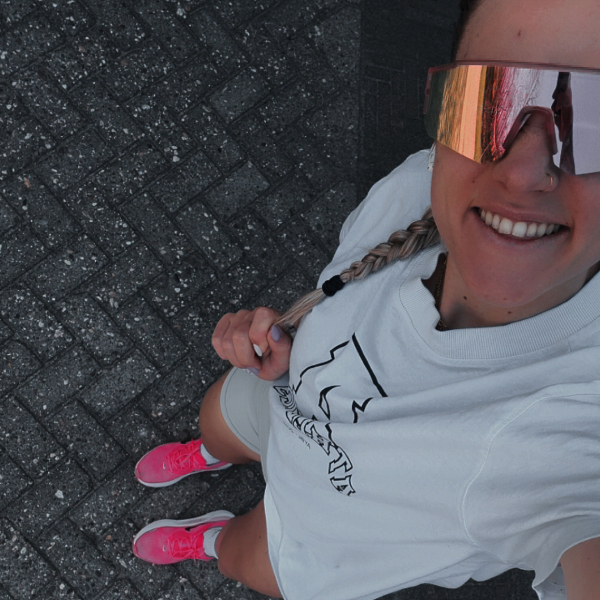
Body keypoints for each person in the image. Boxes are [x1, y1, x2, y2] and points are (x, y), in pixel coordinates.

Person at [130, 0, 600, 598]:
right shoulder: (414, 187)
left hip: (320, 538)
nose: (522, 172)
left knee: (239, 557)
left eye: (594, 121)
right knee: (217, 421)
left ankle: (211, 537)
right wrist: (286, 343)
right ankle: (210, 453)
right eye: (490, 101)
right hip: (283, 395)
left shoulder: (572, 435)